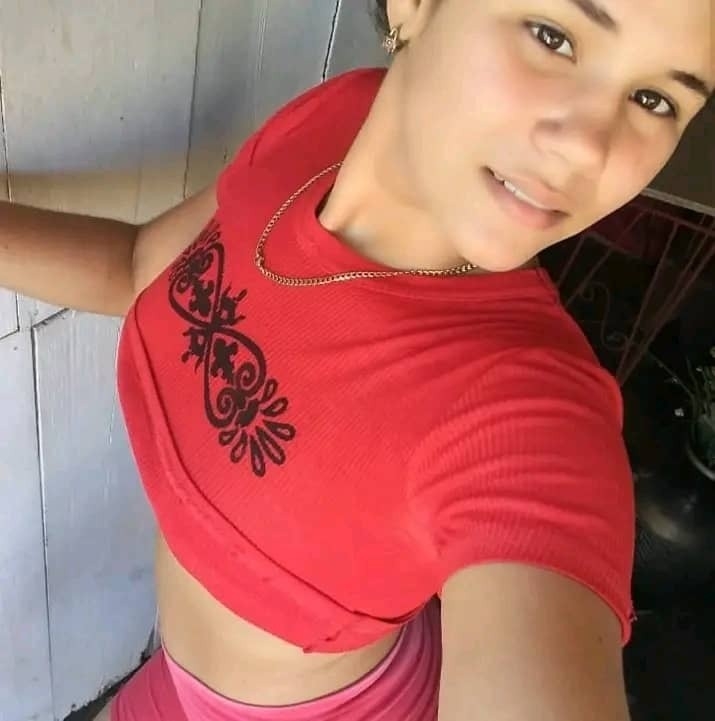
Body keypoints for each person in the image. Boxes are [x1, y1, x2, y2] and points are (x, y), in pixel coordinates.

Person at [1, 1, 712, 719]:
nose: (589, 148)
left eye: (655, 100)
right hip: (172, 685)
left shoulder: (531, 415)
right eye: (552, 37)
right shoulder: (333, 122)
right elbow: (139, 265)